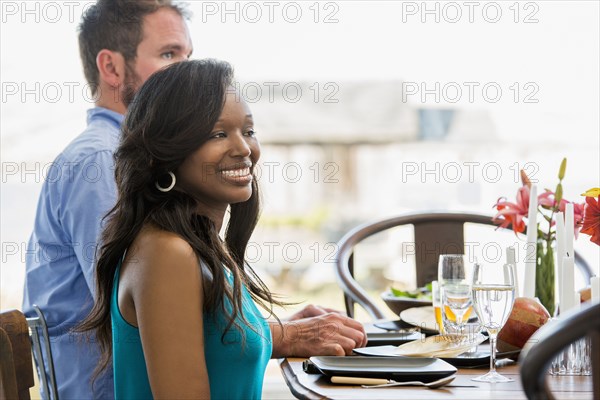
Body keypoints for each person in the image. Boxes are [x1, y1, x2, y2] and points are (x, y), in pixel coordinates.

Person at [23, 1, 366, 398]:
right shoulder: (104, 163)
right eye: (169, 55)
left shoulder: (194, 231)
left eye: (248, 131)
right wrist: (283, 334)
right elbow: (155, 308)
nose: (242, 148)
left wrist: (260, 328)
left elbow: (191, 318)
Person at [80, 58, 290, 398]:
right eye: (218, 134)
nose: (243, 149)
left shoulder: (200, 247)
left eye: (248, 131)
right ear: (168, 151)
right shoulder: (165, 252)